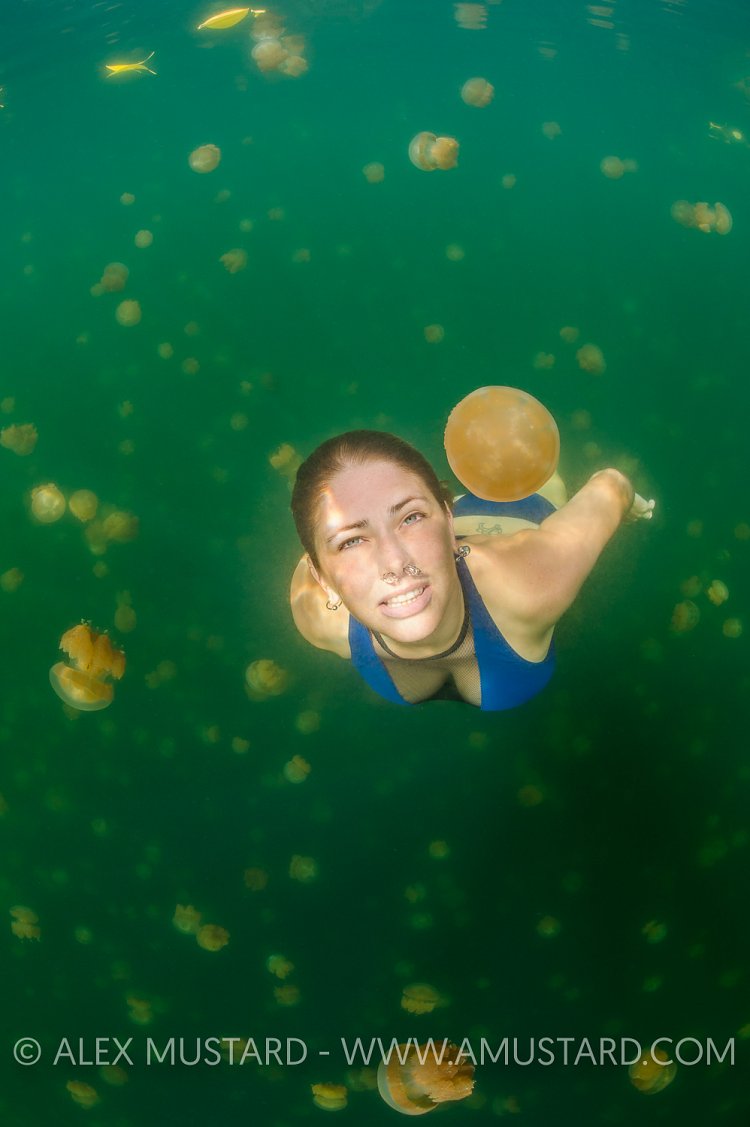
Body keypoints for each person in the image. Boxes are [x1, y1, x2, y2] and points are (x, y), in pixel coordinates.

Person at [289, 430, 654, 710]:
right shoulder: (317, 617)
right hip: (447, 526)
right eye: (351, 541)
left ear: (449, 524)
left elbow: (610, 485)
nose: (394, 563)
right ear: (323, 580)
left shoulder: (532, 585)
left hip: (521, 515)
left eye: (410, 517)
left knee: (542, 479)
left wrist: (631, 503)